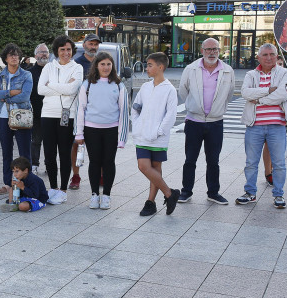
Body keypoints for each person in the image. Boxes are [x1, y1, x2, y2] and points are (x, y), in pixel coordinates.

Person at [177, 37, 235, 204]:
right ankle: (186, 191)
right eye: (208, 49)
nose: (212, 52)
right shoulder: (191, 68)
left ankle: (213, 192)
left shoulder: (227, 70)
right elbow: (183, 91)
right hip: (194, 121)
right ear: (202, 51)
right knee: (190, 159)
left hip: (216, 122)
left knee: (213, 160)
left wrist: (217, 109)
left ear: (219, 50)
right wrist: (194, 106)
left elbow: (229, 94)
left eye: (215, 49)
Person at [236, 43, 287, 209]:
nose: (269, 58)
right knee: (251, 162)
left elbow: (282, 94)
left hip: (277, 125)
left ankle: (278, 194)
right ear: (259, 57)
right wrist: (269, 90)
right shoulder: (251, 74)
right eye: (265, 55)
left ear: (277, 56)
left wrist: (260, 99)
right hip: (254, 125)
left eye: (272, 54)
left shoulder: (285, 73)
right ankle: (250, 193)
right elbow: (245, 93)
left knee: (279, 163)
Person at [75, 51, 129, 210]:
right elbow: (80, 109)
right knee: (95, 162)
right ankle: (94, 195)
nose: (106, 67)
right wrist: (79, 133)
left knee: (108, 162)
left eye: (108, 64)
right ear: (96, 66)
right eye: (102, 64)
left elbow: (124, 112)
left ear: (112, 66)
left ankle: (106, 195)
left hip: (111, 130)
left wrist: (122, 137)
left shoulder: (119, 85)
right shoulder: (87, 84)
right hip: (91, 130)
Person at [132, 52, 181, 216]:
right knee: (143, 166)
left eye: (150, 65)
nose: (147, 68)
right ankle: (169, 193)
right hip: (142, 135)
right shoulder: (145, 87)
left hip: (158, 137)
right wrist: (137, 124)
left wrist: (159, 131)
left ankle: (150, 203)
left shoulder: (170, 90)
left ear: (160, 67)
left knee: (156, 167)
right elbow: (136, 107)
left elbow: (171, 115)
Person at [38, 35, 83, 204]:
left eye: (69, 49)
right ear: (57, 51)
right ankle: (54, 187)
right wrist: (61, 88)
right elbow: (40, 89)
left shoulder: (77, 68)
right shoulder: (49, 67)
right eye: (62, 49)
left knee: (64, 153)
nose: (66, 53)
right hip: (48, 114)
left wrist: (51, 85)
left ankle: (63, 189)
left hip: (67, 115)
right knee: (49, 154)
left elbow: (73, 89)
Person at [0, 43, 33, 195]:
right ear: (5, 58)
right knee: (6, 151)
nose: (14, 57)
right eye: (11, 55)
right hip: (2, 116)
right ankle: (8, 183)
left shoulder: (26, 75)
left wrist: (5, 95)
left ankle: (26, 183)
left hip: (21, 116)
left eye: (16, 54)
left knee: (24, 152)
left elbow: (25, 95)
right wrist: (13, 92)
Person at [70, 34, 101, 188]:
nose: (93, 46)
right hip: (79, 110)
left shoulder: (102, 62)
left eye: (96, 44)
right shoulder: (76, 64)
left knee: (99, 146)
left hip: (98, 111)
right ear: (84, 45)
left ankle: (101, 175)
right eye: (91, 43)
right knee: (76, 144)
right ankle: (76, 176)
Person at [26, 43, 48, 172]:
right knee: (35, 140)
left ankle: (49, 165)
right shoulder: (29, 73)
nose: (43, 54)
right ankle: (34, 165)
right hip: (35, 112)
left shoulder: (53, 71)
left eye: (45, 52)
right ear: (35, 56)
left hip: (52, 113)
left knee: (50, 142)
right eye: (40, 52)